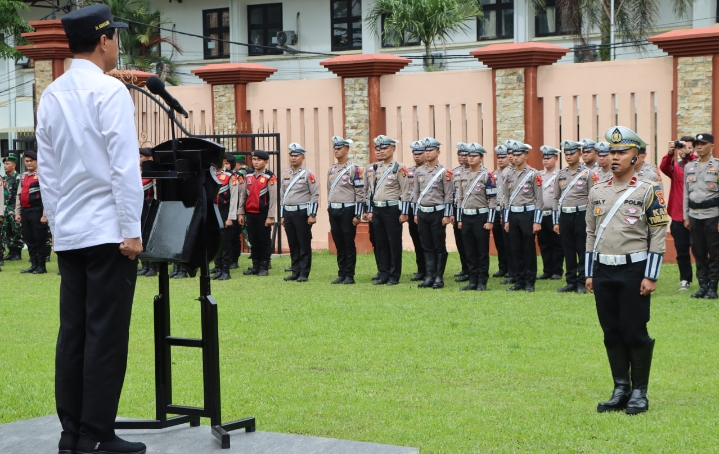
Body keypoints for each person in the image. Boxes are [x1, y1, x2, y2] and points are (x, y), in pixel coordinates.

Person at [36, 5, 146, 453]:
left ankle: (72, 433)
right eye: (116, 37)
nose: (118, 45)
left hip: (73, 232)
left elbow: (48, 171)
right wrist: (132, 230)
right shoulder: (109, 92)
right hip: (109, 233)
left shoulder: (52, 94)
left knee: (74, 333)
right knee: (106, 334)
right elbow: (123, 167)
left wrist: (59, 226)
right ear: (104, 41)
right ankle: (97, 435)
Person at [586, 126, 668, 415]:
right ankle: (620, 387)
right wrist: (589, 272)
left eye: (622, 152)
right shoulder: (597, 190)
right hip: (604, 271)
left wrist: (651, 274)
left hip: (634, 271)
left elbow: (658, 232)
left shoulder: (647, 190)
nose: (616, 156)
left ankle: (639, 392)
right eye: (612, 151)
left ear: (636, 156)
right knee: (611, 331)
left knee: (634, 331)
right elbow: (590, 232)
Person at [553, 140, 596, 294]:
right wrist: (555, 221)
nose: (569, 156)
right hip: (565, 214)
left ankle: (582, 281)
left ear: (579, 154)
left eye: (572, 153)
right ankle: (570, 281)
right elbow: (555, 198)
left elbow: (593, 197)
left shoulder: (588, 173)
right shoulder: (561, 174)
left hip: (581, 214)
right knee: (568, 249)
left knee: (582, 248)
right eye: (566, 153)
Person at [366, 135, 410, 285]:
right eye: (379, 148)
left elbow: (406, 192)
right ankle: (383, 274)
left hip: (392, 210)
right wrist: (370, 210)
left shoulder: (399, 168)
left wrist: (404, 212)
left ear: (393, 149)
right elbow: (371, 191)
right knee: (381, 243)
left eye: (385, 148)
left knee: (393, 243)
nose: (382, 151)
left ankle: (394, 275)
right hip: (377, 209)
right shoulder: (375, 167)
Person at [413, 137, 454, 289]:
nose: (428, 153)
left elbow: (449, 195)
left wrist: (446, 215)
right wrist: (416, 212)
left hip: (438, 212)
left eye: (431, 150)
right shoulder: (419, 171)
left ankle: (439, 277)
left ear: (438, 152)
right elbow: (416, 193)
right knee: (426, 245)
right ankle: (429, 276)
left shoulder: (445, 172)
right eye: (426, 150)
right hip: (423, 212)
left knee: (438, 245)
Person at [455, 143, 497, 290]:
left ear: (481, 158)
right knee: (469, 250)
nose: (470, 159)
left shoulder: (487, 175)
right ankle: (472, 281)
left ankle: (482, 281)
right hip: (466, 217)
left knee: (481, 251)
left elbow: (492, 200)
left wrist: (490, 220)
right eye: (469, 156)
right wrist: (460, 219)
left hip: (481, 217)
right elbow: (459, 199)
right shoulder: (462, 175)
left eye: (474, 156)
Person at [503, 140, 543, 292]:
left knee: (528, 248)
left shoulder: (533, 174)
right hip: (513, 214)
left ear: (526, 155)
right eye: (514, 154)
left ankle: (529, 282)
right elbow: (506, 198)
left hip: (528, 214)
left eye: (519, 154)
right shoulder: (509, 174)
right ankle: (518, 280)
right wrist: (506, 219)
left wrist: (537, 221)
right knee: (515, 248)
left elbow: (539, 199)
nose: (516, 157)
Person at [683, 133, 719, 299]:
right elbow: (685, 194)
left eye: (703, 144)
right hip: (694, 216)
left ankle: (713, 287)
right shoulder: (689, 167)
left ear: (711, 145)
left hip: (712, 215)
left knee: (714, 252)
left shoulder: (717, 166)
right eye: (697, 144)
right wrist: (686, 216)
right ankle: (702, 285)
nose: (699, 147)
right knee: (698, 252)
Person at [660, 136, 697, 291]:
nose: (683, 150)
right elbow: (664, 167)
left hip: (696, 215)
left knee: (700, 250)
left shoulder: (698, 165)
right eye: (681, 147)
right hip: (677, 215)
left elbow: (697, 163)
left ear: (693, 148)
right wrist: (670, 153)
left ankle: (705, 278)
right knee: (682, 251)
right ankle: (685, 279)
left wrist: (690, 154)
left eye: (687, 147)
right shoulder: (676, 167)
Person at [327, 136, 365, 284]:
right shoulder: (332, 169)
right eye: (335, 148)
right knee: (338, 242)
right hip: (334, 209)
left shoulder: (354, 169)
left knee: (348, 242)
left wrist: (358, 214)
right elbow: (329, 189)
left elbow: (360, 192)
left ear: (347, 149)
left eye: (339, 148)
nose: (336, 150)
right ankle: (341, 272)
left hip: (347, 210)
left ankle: (349, 274)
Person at [280, 143, 319, 282]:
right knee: (293, 243)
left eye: (296, 155)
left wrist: (312, 214)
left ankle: (304, 273)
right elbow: (282, 196)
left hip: (302, 212)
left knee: (303, 243)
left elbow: (314, 194)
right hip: (289, 213)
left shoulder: (308, 174)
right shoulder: (286, 174)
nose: (293, 158)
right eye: (291, 155)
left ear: (302, 157)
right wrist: (282, 215)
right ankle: (295, 271)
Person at [238, 151, 276, 277]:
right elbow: (243, 195)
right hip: (250, 213)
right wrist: (240, 213)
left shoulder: (269, 177)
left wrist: (270, 216)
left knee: (264, 240)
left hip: (263, 214)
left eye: (259, 160)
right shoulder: (248, 176)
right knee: (253, 239)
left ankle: (264, 266)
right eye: (254, 159)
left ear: (265, 162)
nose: (255, 162)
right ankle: (255, 265)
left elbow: (273, 198)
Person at [15, 150, 49, 275]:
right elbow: (20, 194)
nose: (28, 163)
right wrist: (17, 212)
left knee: (39, 238)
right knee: (29, 238)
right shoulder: (23, 176)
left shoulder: (42, 175)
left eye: (31, 161)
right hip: (25, 211)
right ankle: (33, 264)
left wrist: (45, 214)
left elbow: (46, 196)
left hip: (37, 211)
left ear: (37, 161)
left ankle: (41, 265)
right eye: (26, 161)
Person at [211, 153, 240, 281]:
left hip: (225, 210)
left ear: (223, 161)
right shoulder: (210, 175)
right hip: (213, 210)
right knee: (215, 241)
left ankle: (225, 270)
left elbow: (234, 198)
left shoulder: (230, 176)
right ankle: (218, 268)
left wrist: (231, 217)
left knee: (226, 241)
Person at [536, 146, 563, 281]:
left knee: (556, 243)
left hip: (554, 213)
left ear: (556, 159)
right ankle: (547, 270)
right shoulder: (539, 175)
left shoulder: (560, 174)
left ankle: (557, 270)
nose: (546, 161)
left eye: (549, 158)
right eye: (544, 158)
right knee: (544, 243)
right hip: (542, 213)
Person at [137, 148, 159, 278]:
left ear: (149, 158)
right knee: (141, 235)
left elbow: (156, 192)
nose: (138, 159)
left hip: (149, 205)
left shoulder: (152, 174)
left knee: (150, 235)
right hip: (140, 207)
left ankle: (153, 265)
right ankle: (145, 264)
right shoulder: (137, 173)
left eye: (141, 156)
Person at [406, 141, 427, 281]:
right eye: (415, 153)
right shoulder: (408, 171)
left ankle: (430, 270)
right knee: (416, 241)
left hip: (425, 209)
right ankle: (421, 269)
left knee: (427, 241)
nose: (417, 156)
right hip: (411, 209)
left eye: (420, 153)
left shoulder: (432, 171)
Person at [493, 145, 514, 282]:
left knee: (509, 243)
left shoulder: (510, 173)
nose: (500, 160)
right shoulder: (494, 174)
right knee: (499, 241)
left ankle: (511, 269)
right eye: (498, 157)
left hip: (506, 210)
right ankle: (503, 267)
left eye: (503, 157)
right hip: (495, 210)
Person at [451, 144, 470, 282]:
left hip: (470, 208)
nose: (461, 157)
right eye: (459, 155)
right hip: (457, 209)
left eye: (464, 155)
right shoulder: (454, 172)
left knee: (469, 241)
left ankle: (471, 269)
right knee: (460, 240)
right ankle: (465, 268)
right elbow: (451, 193)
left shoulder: (476, 172)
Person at [2, 153, 23, 262]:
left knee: (16, 230)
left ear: (14, 165)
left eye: (7, 163)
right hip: (5, 209)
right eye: (4, 164)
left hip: (14, 209)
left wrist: (17, 211)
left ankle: (17, 252)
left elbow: (19, 195)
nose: (5, 166)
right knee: (7, 230)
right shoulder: (4, 179)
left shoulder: (18, 178)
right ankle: (11, 251)